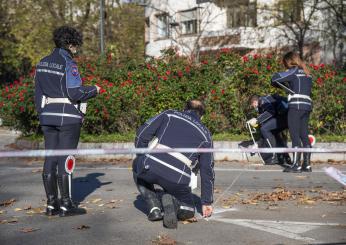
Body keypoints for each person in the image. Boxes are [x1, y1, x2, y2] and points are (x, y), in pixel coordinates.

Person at [34, 26, 101, 216]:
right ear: (71, 44)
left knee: (50, 158)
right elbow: (74, 92)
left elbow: (37, 94)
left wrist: (43, 113)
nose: (76, 49)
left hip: (47, 116)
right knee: (66, 159)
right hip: (68, 118)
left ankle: (51, 204)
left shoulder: (42, 62)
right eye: (76, 46)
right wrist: (94, 89)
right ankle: (66, 204)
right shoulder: (69, 63)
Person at [132, 100, 214, 229]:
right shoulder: (206, 135)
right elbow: (207, 170)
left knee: (137, 164)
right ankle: (174, 203)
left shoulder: (169, 114)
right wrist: (206, 202)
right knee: (188, 211)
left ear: (184, 108)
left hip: (151, 166)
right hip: (178, 178)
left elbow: (141, 134)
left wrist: (142, 158)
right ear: (202, 116)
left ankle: (154, 207)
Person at [271, 51, 313, 173]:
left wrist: (284, 88)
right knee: (304, 136)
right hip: (307, 106)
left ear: (289, 61)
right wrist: (289, 87)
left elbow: (275, 78)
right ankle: (307, 165)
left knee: (294, 136)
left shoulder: (293, 71)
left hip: (296, 106)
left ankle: (296, 165)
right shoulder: (307, 73)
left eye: (285, 63)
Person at [247, 94, 291, 165]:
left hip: (285, 116)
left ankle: (274, 156)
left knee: (264, 129)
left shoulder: (262, 100)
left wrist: (257, 120)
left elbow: (271, 111)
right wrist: (258, 143)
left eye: (252, 105)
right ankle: (285, 157)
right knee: (273, 132)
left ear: (254, 102)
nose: (253, 107)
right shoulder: (263, 105)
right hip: (286, 117)